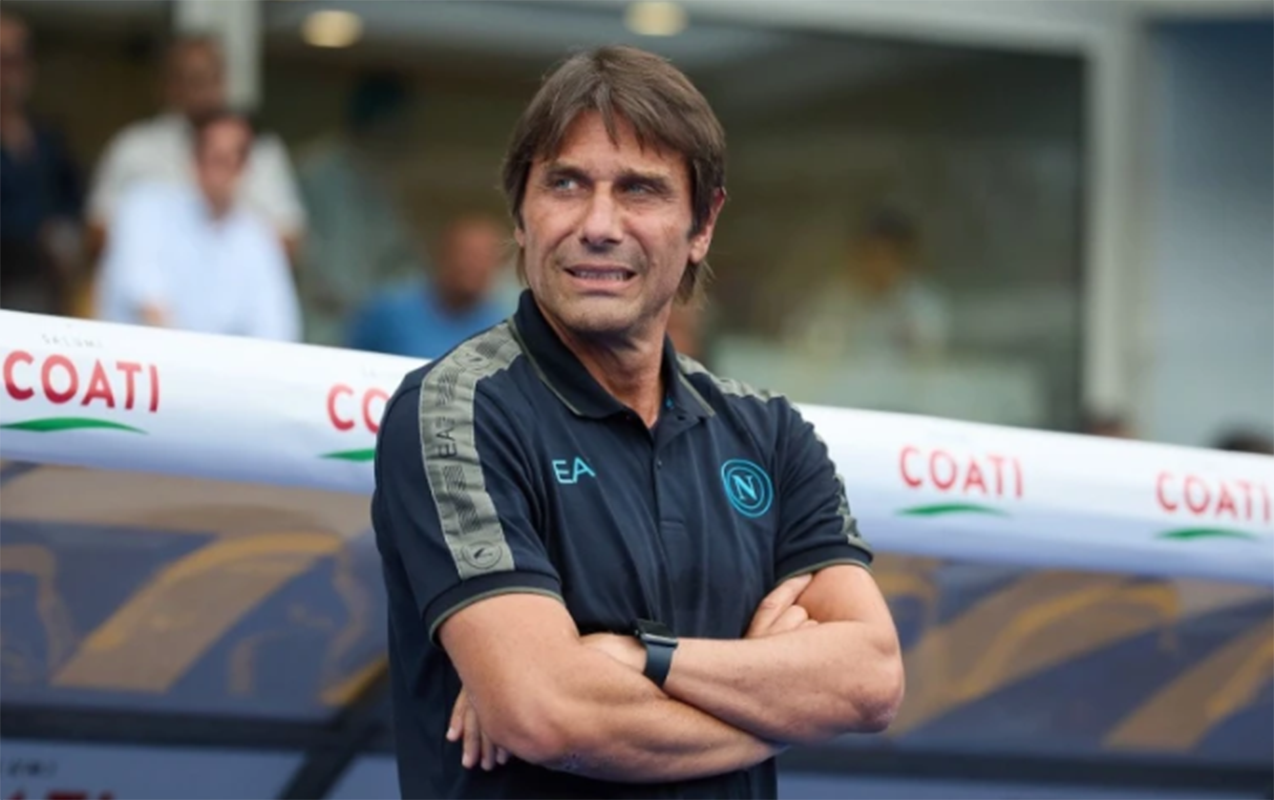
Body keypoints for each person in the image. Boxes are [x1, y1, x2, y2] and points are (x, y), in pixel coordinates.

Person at [371, 46, 903, 800]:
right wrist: (776, 710)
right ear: (520, 213)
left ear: (702, 225)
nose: (598, 224)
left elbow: (870, 679)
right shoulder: (457, 410)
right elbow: (547, 712)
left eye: (639, 190)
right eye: (565, 184)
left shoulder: (770, 434)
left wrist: (636, 655)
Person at [87, 35, 305, 261]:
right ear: (170, 85)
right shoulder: (134, 148)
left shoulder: (262, 151)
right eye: (192, 79)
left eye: (211, 77)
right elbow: (97, 232)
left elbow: (289, 239)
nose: (203, 90)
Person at [94, 111, 300, 341]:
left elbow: (276, 328)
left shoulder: (257, 237)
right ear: (194, 160)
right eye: (216, 158)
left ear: (246, 168)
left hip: (215, 362)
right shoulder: (144, 208)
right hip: (139, 356)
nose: (224, 171)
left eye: (235, 159)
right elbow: (148, 306)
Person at [297, 72, 421, 347]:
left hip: (368, 326)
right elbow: (301, 247)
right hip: (319, 320)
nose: (399, 133)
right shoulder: (318, 169)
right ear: (376, 118)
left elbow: (400, 258)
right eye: (394, 122)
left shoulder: (382, 179)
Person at [0, 11, 84, 315]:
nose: (7, 73)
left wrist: (64, 237)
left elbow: (72, 204)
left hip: (42, 296)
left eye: (15, 60)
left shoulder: (49, 140)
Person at [788, 207, 949, 362]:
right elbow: (803, 350)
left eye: (887, 257)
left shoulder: (924, 308)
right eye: (872, 255)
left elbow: (930, 361)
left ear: (905, 258)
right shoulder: (833, 300)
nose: (878, 265)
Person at [347, 214, 510, 359]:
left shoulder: (502, 332)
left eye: (485, 257)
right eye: (468, 254)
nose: (475, 265)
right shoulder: (390, 310)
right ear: (444, 255)